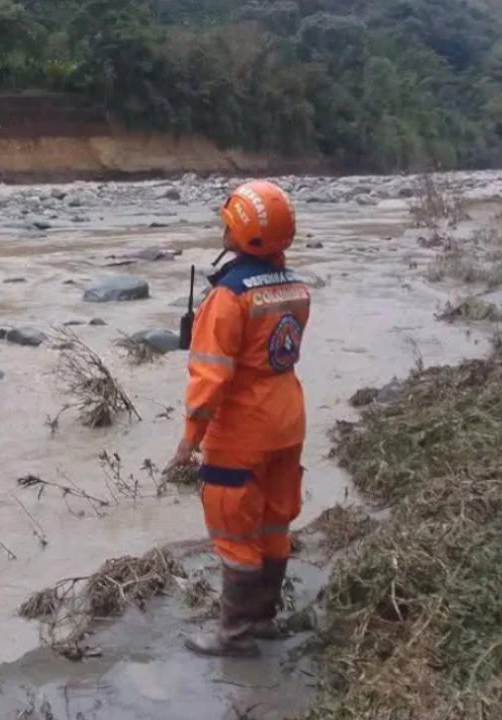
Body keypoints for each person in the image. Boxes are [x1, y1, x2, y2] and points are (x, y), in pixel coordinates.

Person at [166, 179, 311, 657]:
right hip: (288, 422)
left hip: (242, 431)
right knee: (273, 524)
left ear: (242, 233)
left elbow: (210, 376)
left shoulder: (228, 297)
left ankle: (233, 632)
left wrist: (189, 439)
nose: (222, 228)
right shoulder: (295, 288)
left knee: (234, 530)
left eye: (227, 222)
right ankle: (264, 619)